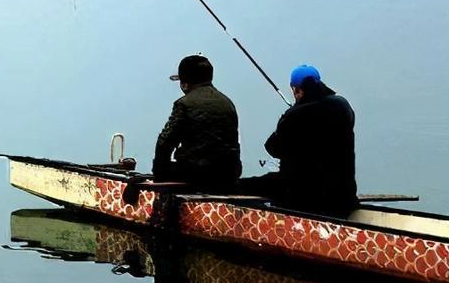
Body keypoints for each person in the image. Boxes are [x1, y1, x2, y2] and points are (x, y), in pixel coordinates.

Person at [244, 64, 358, 216]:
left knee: (246, 185)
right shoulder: (343, 106)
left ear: (296, 90)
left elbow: (272, 148)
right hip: (344, 196)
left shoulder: (295, 115)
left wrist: (291, 112)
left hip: (305, 198)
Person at [152, 54, 242, 193]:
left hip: (196, 176)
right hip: (228, 176)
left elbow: (165, 142)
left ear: (184, 83)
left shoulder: (184, 103)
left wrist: (159, 175)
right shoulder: (228, 103)